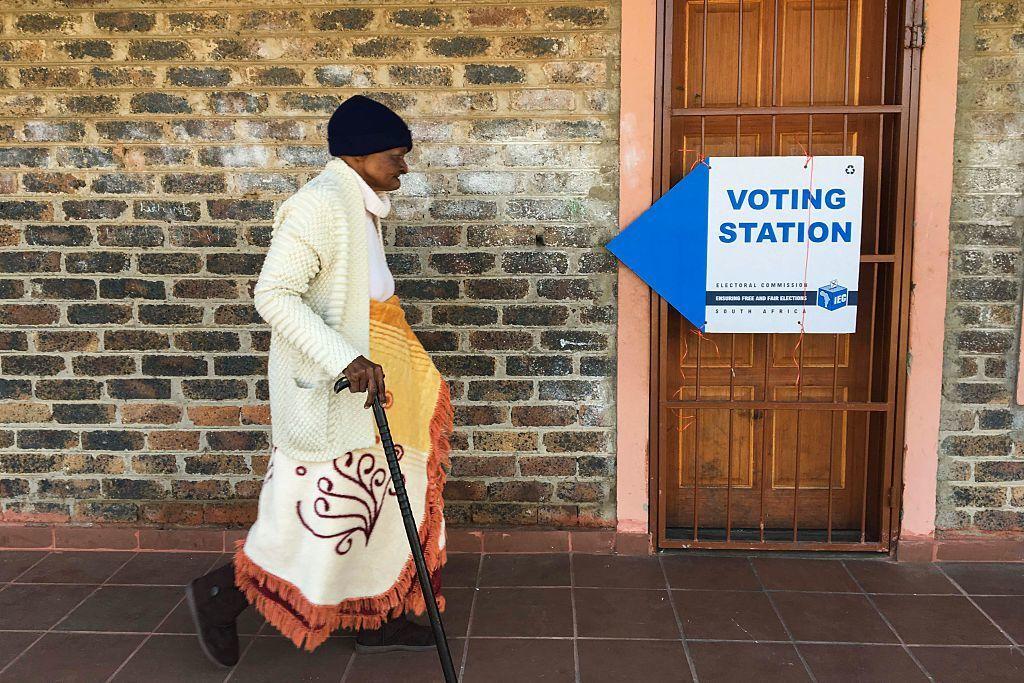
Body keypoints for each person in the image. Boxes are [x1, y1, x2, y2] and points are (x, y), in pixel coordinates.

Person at [185, 95, 453, 667]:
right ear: (358, 155)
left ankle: (374, 616)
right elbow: (273, 295)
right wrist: (344, 360)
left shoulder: (358, 203)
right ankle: (222, 594)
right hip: (340, 391)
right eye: (394, 156)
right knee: (320, 508)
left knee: (385, 498)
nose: (403, 168)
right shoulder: (317, 205)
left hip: (379, 385)